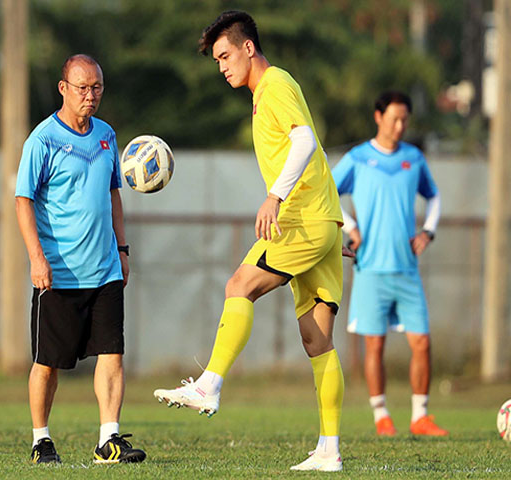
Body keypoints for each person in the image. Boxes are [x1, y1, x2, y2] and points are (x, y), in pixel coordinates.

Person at [153, 11, 348, 472]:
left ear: (247, 48)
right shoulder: (267, 94)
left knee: (238, 286)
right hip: (319, 222)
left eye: (224, 56)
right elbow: (318, 151)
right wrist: (337, 224)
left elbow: (303, 142)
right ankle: (329, 450)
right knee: (317, 339)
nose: (221, 67)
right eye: (216, 60)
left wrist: (275, 196)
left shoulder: (274, 84)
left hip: (299, 221)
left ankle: (210, 384)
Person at [15, 54, 146, 464]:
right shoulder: (42, 140)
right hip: (58, 273)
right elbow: (23, 201)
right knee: (47, 363)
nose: (91, 96)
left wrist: (122, 250)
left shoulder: (107, 135)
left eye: (97, 88)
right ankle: (41, 440)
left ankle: (108, 439)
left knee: (112, 353)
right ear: (63, 89)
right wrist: (37, 258)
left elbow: (113, 196)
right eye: (82, 88)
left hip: (104, 268)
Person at [332, 91, 447, 437]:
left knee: (422, 342)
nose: (400, 126)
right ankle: (381, 416)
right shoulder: (358, 157)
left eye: (405, 120)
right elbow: (326, 191)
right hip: (370, 269)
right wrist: (350, 226)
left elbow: (434, 196)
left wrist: (428, 231)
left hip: (406, 269)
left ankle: (420, 416)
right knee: (375, 345)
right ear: (378, 116)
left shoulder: (414, 158)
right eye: (394, 118)